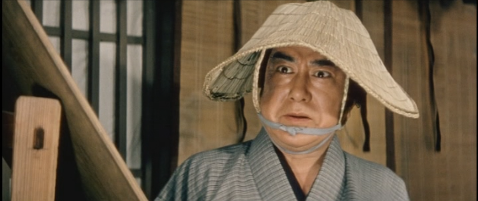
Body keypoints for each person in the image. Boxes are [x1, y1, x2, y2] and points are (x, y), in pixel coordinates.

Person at [156, 1, 418, 201]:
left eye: (321, 74)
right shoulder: (205, 175)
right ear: (260, 85)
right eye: (284, 70)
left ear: (349, 103)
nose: (297, 92)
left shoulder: (384, 187)